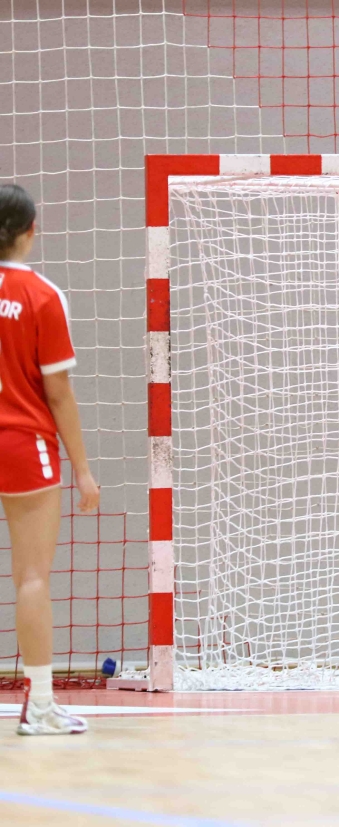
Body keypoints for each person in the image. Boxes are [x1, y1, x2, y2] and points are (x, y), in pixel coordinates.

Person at [0, 183, 99, 734]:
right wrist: (82, 469)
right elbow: (58, 393)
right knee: (32, 577)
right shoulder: (42, 295)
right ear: (31, 230)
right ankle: (39, 706)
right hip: (21, 443)